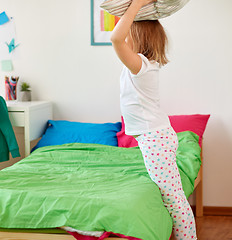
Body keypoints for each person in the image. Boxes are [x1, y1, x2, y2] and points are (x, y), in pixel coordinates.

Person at [110, 0, 197, 239]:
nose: (126, 37)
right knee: (173, 197)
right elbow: (120, 37)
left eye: (131, 32)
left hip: (155, 140)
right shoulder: (143, 66)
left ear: (139, 38)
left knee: (174, 200)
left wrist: (136, 5)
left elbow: (116, 39)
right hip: (155, 137)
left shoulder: (141, 66)